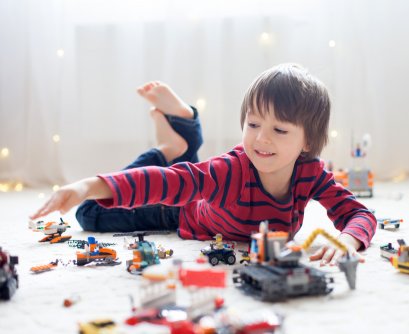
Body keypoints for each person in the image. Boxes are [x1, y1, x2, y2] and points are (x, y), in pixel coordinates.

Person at [30, 63, 376, 266]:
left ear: (309, 143)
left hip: (205, 193)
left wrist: (348, 240)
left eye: (279, 130)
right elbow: (165, 183)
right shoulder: (232, 170)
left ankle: (181, 138)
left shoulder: (311, 173)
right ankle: (170, 145)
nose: (260, 139)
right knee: (88, 214)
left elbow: (360, 214)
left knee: (190, 169)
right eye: (252, 124)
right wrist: (87, 186)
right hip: (182, 213)